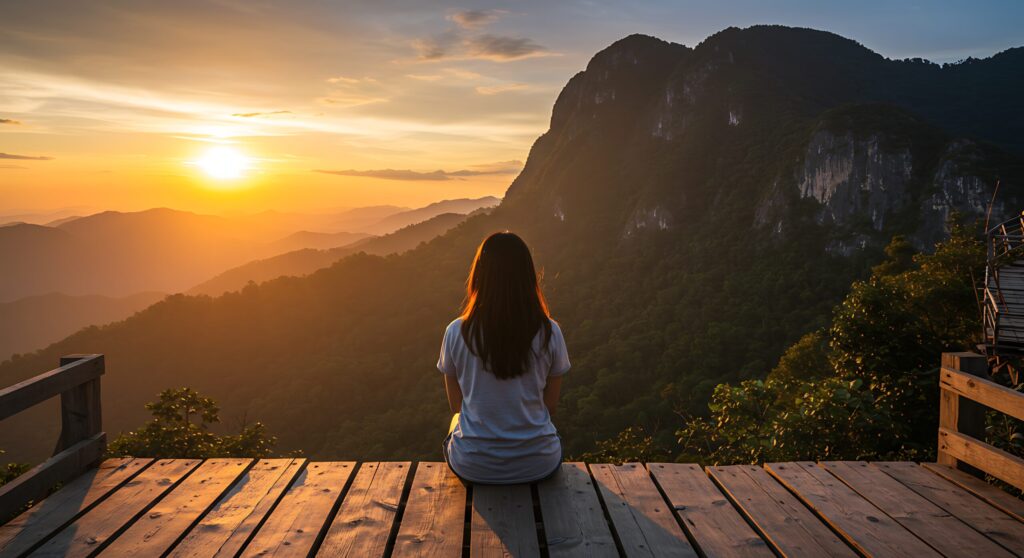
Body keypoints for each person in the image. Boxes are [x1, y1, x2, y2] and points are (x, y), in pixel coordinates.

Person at [437, 231, 570, 484]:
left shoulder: (456, 331)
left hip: (473, 465)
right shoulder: (550, 332)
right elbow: (549, 407)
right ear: (528, 277)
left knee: (455, 423)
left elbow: (457, 408)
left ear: (479, 276)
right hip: (538, 463)